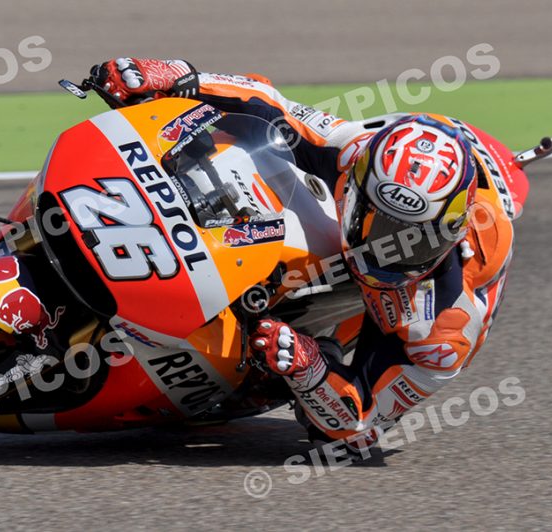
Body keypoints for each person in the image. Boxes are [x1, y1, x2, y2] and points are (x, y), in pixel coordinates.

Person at [89, 58, 513, 453]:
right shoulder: (354, 152)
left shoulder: (441, 330)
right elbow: (269, 102)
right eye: (378, 222)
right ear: (358, 189)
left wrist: (311, 371)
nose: (391, 246)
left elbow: (359, 429)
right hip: (408, 150)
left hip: (423, 291)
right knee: (243, 151)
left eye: (416, 238)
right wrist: (177, 77)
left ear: (452, 232)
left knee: (315, 423)